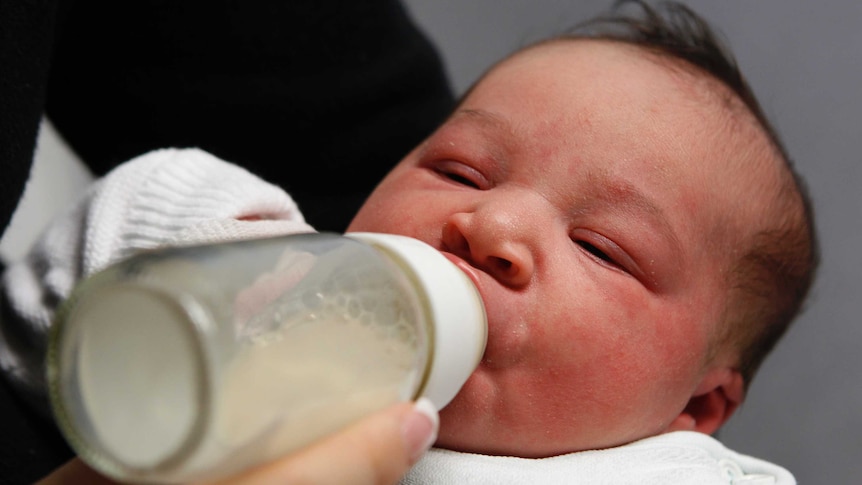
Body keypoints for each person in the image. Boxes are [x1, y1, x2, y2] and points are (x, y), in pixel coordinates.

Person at [3, 1, 817, 483]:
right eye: (461, 171)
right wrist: (231, 252)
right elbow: (52, 305)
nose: (492, 226)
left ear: (697, 406)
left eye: (603, 247)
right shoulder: (281, 317)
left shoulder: (664, 472)